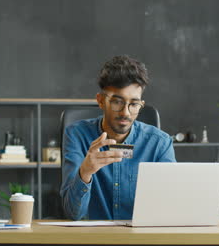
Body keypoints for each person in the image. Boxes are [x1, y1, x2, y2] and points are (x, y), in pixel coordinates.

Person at [60, 55, 176, 220]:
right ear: (101, 101)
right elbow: (72, 213)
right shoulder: (77, 135)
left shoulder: (160, 143)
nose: (125, 113)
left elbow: (172, 208)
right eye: (117, 102)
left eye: (134, 104)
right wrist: (85, 172)